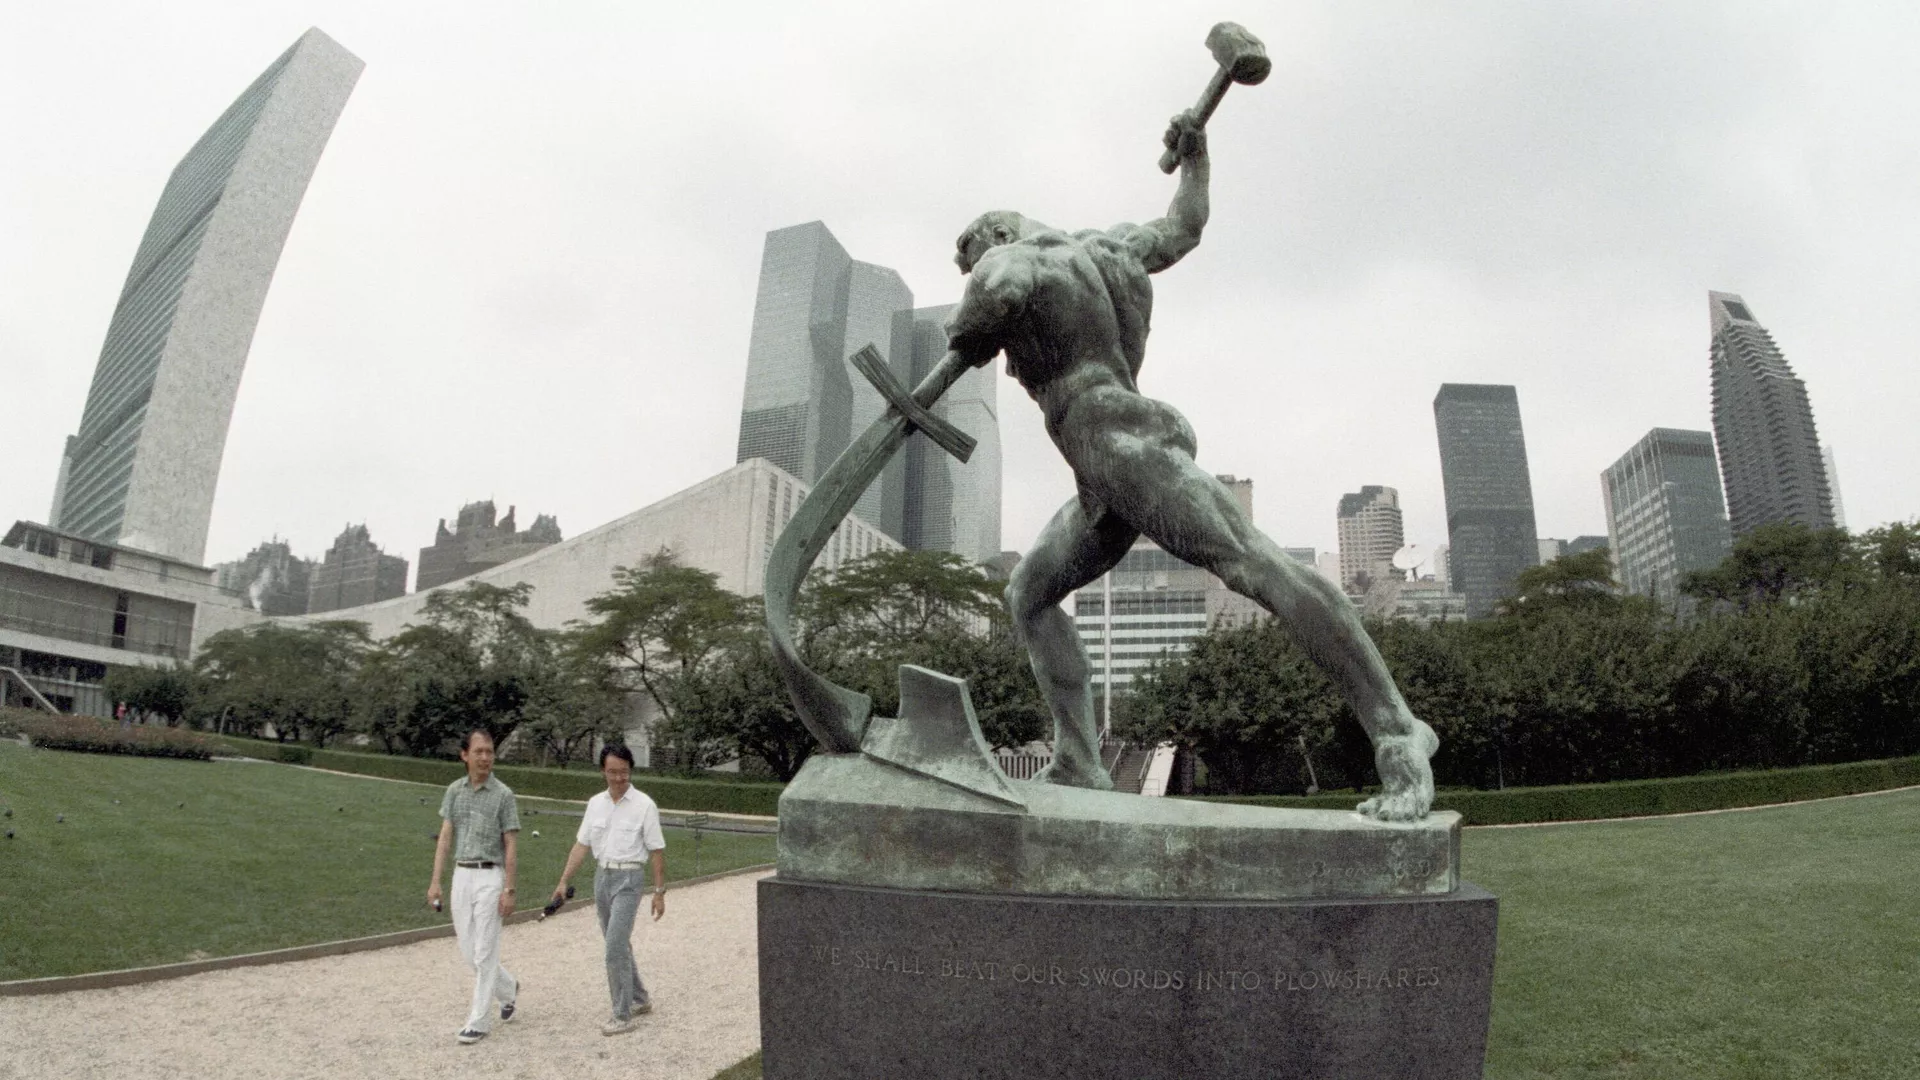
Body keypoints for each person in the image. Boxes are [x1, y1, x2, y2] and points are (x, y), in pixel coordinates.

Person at [941, 109, 1438, 821]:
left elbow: (994, 295)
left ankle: (1397, 732)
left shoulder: (1008, 254)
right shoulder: (1106, 247)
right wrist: (1196, 160)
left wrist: (969, 327)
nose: (969, 271)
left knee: (1255, 564)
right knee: (1028, 594)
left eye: (967, 259)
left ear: (992, 234)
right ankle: (1080, 760)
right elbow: (1183, 228)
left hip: (1117, 441)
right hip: (1101, 471)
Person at [549, 744, 666, 1036]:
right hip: (602, 878)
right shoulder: (595, 804)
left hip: (629, 880)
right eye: (612, 772)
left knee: (614, 947)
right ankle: (640, 999)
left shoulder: (644, 805)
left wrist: (659, 891)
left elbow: (656, 851)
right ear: (603, 771)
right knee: (619, 944)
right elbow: (582, 845)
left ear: (631, 771)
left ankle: (621, 1015)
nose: (618, 778)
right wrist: (563, 881)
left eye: (623, 772)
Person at [427, 729, 521, 1044]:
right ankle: (508, 989)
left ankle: (479, 1021)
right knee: (469, 951)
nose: (485, 758)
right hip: (461, 875)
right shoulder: (454, 791)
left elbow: (510, 844)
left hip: (490, 876)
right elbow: (445, 837)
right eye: (479, 751)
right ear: (465, 755)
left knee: (485, 951)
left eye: (490, 752)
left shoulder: (504, 795)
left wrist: (509, 888)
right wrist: (435, 882)